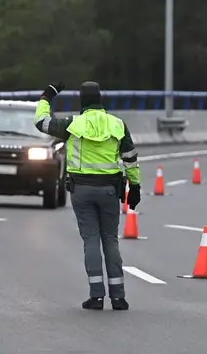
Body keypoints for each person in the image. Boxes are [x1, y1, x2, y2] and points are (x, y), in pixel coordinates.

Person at [34, 81, 142, 310]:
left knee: (91, 240)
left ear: (82, 100)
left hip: (81, 190)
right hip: (110, 190)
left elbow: (41, 123)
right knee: (110, 240)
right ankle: (118, 297)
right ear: (100, 99)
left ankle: (97, 296)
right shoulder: (117, 124)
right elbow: (130, 157)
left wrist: (47, 97)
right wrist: (135, 186)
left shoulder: (72, 124)